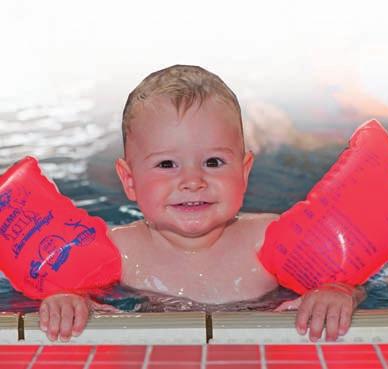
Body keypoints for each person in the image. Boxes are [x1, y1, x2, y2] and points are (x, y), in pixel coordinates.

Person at [39, 65, 366, 343]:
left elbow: (352, 281)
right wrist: (70, 300)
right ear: (130, 181)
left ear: (244, 172)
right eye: (167, 165)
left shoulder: (269, 239)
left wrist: (337, 293)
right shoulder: (119, 251)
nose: (193, 181)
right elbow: (65, 290)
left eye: (213, 162)